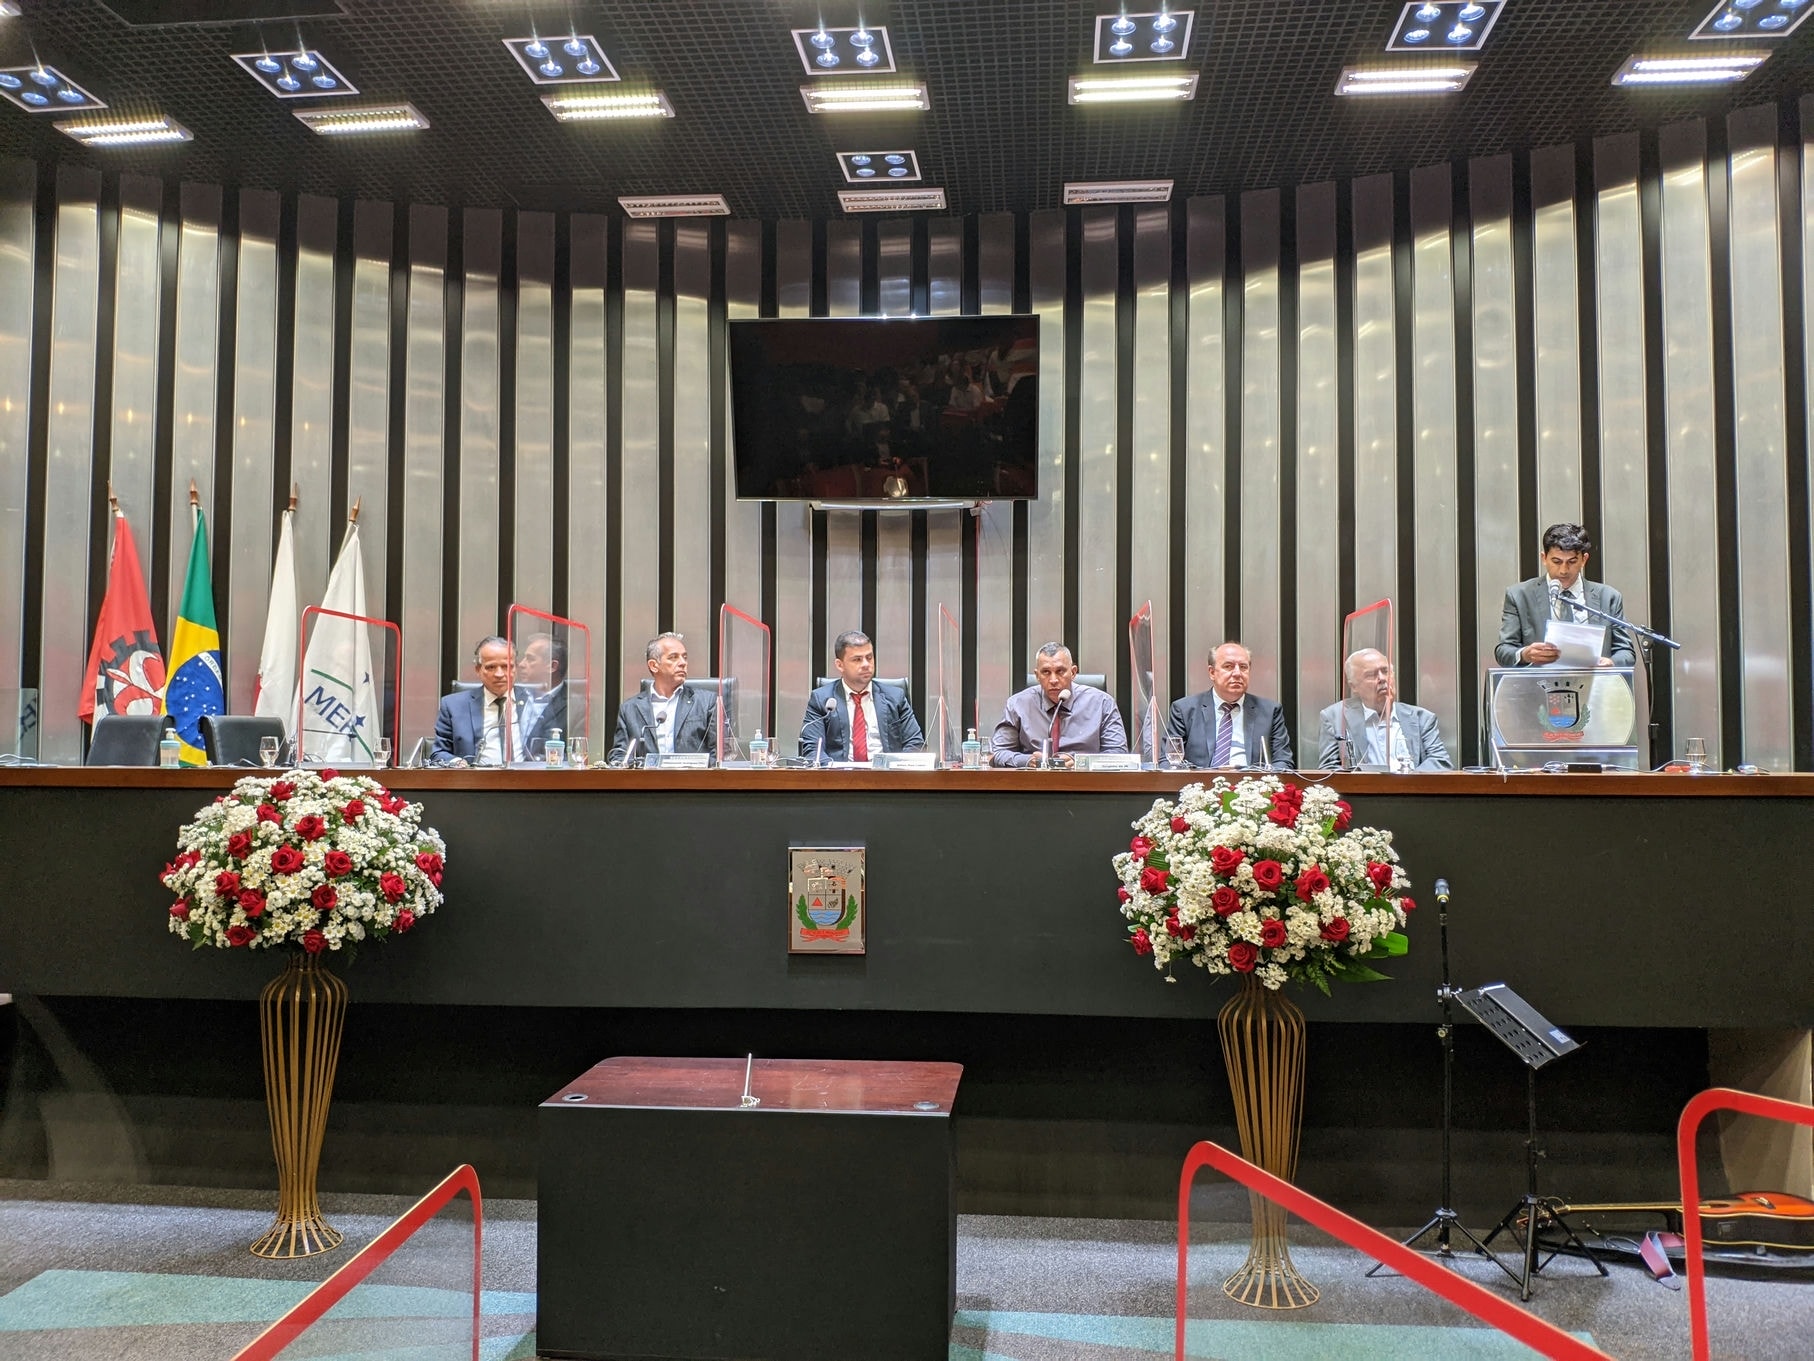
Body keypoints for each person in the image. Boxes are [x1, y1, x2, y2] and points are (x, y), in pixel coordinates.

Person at [1495, 522, 1635, 668]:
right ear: (1544, 558)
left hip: (1594, 679)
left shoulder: (1608, 597)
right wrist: (1525, 654)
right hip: (1540, 680)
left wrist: (1611, 662)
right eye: (1556, 561)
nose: (1563, 570)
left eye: (1572, 562)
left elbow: (1626, 652)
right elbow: (1504, 651)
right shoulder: (1519, 595)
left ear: (1584, 559)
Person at [991, 643, 1128, 768]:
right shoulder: (1018, 704)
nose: (1053, 680)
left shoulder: (1102, 703)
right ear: (1037, 675)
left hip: (1086, 783)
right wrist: (1027, 760)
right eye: (1046, 672)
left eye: (1060, 671)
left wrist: (1079, 762)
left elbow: (1118, 754)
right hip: (1033, 783)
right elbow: (997, 752)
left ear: (1073, 672)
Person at [1317, 648, 1452, 772]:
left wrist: (1404, 782)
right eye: (1371, 675)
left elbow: (1441, 762)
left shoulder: (1421, 718)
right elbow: (1329, 769)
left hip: (1413, 789)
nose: (1382, 679)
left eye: (1385, 671)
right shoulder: (1335, 717)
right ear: (1354, 687)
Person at [799, 630, 924, 762]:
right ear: (840, 665)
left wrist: (896, 768)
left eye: (869, 658)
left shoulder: (895, 697)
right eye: (857, 660)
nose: (866, 664)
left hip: (886, 772)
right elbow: (813, 750)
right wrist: (832, 772)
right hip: (838, 773)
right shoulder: (822, 700)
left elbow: (915, 743)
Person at [1167, 641, 1294, 770]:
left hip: (1251, 781)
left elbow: (1283, 761)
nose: (1237, 673)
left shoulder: (1270, 711)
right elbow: (1169, 761)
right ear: (1212, 672)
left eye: (1243, 667)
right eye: (1228, 666)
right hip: (1199, 781)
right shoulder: (1184, 710)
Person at [608, 632, 717, 765]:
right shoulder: (630, 709)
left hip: (693, 777)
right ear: (654, 665)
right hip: (647, 778)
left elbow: (720, 755)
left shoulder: (707, 702)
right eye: (673, 657)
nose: (683, 663)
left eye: (684, 657)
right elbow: (619, 755)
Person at [431, 636, 521, 766]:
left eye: (506, 666)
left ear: (516, 668)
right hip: (474, 777)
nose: (499, 674)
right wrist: (457, 763)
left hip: (530, 777)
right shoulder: (453, 706)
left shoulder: (536, 703)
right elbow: (439, 753)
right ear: (478, 670)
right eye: (491, 667)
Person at [515, 632, 569, 756]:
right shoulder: (513, 696)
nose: (521, 664)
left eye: (530, 659)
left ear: (552, 666)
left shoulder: (575, 708)